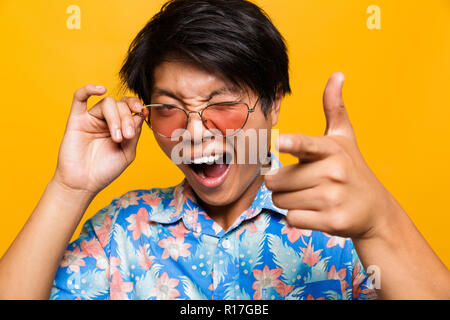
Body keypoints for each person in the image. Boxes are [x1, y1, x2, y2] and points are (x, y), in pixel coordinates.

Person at [0, 0, 448, 300]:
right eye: (170, 109)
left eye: (223, 104)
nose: (194, 133)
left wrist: (379, 224)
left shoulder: (341, 222)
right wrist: (68, 187)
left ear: (273, 102)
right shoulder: (121, 232)